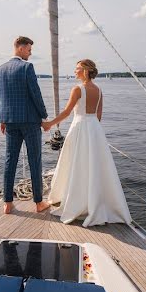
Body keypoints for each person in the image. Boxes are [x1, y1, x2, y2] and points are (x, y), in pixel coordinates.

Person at [43, 59, 131, 226]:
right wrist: (93, 130)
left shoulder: (78, 89)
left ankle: (76, 200)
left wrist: (49, 124)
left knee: (76, 164)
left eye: (77, 69)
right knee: (94, 166)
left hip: (80, 127)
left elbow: (67, 112)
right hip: (95, 130)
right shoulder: (98, 90)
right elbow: (99, 115)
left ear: (85, 71)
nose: (75, 71)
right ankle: (96, 202)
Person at [0, 36, 52, 214]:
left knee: (10, 160)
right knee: (35, 160)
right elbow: (36, 93)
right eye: (29, 49)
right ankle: (38, 203)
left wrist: (2, 119)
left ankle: (8, 203)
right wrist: (44, 116)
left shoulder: (0, 69)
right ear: (20, 48)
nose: (30, 53)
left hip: (10, 121)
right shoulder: (27, 67)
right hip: (29, 121)